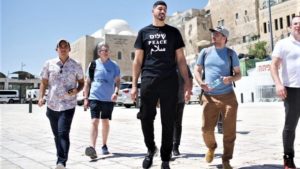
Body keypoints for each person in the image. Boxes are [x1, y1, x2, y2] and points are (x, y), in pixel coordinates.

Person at [131, 1, 192, 169]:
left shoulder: (173, 33)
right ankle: (151, 149)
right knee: (145, 117)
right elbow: (137, 61)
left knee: (168, 120)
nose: (162, 11)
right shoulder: (143, 33)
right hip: (149, 80)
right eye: (159, 8)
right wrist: (135, 85)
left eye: (165, 9)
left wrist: (187, 82)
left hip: (169, 81)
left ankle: (165, 158)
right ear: (153, 11)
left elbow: (180, 59)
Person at [194, 26, 241, 169]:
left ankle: (226, 160)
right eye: (213, 33)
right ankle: (211, 147)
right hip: (209, 97)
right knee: (206, 129)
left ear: (224, 37)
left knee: (229, 131)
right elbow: (197, 69)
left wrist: (231, 78)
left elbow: (239, 74)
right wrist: (201, 83)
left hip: (228, 97)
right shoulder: (205, 52)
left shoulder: (231, 54)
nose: (213, 35)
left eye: (217, 34)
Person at [38, 39, 84, 169]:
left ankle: (61, 162)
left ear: (70, 49)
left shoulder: (76, 65)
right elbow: (44, 82)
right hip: (52, 104)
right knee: (57, 135)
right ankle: (60, 158)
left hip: (68, 105)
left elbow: (82, 82)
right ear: (56, 49)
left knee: (63, 132)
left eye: (66, 46)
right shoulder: (48, 64)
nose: (63, 48)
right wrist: (41, 97)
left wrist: (77, 90)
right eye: (60, 46)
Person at [270, 16, 300, 169]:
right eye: (295, 23)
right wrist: (278, 84)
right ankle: (288, 159)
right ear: (290, 27)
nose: (298, 26)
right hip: (292, 89)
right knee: (290, 126)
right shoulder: (283, 44)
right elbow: (273, 66)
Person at [83, 43, 121, 159]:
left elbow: (118, 81)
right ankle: (92, 148)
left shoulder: (114, 65)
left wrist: (116, 92)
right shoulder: (93, 64)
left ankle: (104, 145)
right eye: (103, 50)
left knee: (105, 121)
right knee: (94, 121)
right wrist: (85, 98)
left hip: (108, 99)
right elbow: (87, 82)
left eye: (107, 50)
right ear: (99, 52)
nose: (105, 52)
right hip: (94, 97)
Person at [172, 66, 193, 156]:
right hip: (168, 99)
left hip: (180, 98)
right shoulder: (166, 63)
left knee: (177, 123)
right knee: (168, 123)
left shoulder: (184, 66)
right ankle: (168, 145)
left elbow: (190, 78)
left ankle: (175, 146)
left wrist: (188, 91)